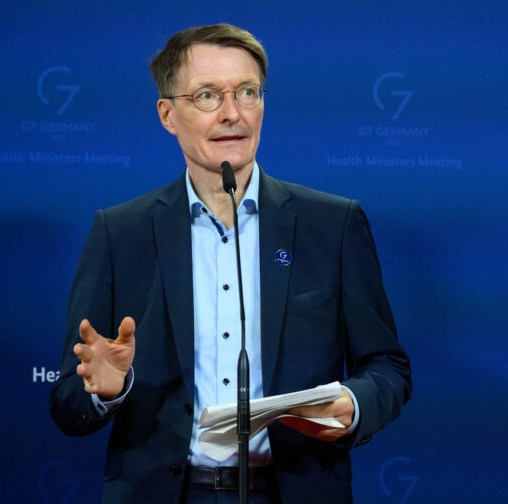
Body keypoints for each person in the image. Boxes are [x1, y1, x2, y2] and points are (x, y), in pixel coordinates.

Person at [49, 23, 411, 504]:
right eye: (206, 96)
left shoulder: (333, 224)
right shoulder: (120, 233)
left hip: (293, 490)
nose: (231, 113)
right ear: (167, 114)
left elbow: (387, 366)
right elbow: (67, 404)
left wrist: (355, 403)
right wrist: (108, 390)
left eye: (247, 92)